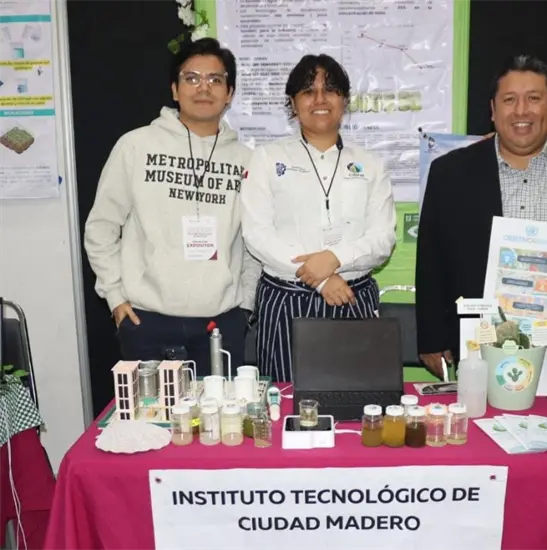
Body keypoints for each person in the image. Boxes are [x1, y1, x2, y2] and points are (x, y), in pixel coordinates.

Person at [415, 54, 547, 450]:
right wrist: (432, 337)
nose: (522, 111)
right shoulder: (451, 172)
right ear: (492, 110)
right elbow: (432, 258)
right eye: (509, 100)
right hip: (478, 343)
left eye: (534, 99)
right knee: (481, 452)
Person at [84, 38, 260, 377]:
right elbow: (101, 227)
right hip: (146, 321)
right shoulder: (136, 146)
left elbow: (253, 243)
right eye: (192, 78)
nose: (203, 88)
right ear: (175, 90)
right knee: (150, 428)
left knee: (219, 427)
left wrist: (245, 306)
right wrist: (116, 297)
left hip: (220, 322)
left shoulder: (247, 161)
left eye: (215, 79)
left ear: (230, 93)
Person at [240, 54, 396, 383]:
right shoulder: (268, 158)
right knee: (287, 404)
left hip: (352, 297)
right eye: (309, 91)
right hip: (287, 300)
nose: (320, 99)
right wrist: (322, 278)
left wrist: (335, 258)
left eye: (331, 90)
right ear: (293, 103)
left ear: (345, 101)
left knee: (359, 404)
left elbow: (383, 239)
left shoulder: (371, 164)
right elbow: (257, 234)